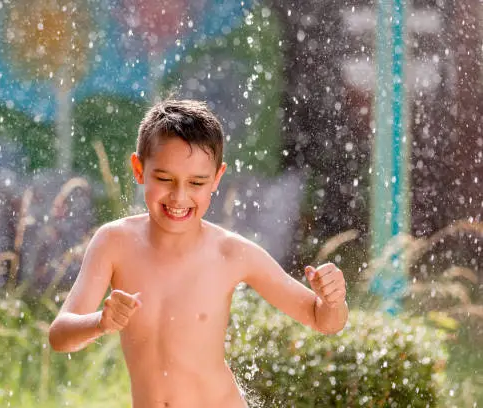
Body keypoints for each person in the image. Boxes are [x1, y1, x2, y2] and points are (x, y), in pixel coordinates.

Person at [48, 99, 348, 408]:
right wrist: (101, 322)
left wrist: (332, 301)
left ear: (217, 178)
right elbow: (59, 336)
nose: (179, 197)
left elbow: (322, 320)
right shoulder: (114, 242)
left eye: (196, 183)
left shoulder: (232, 253)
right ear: (139, 169)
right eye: (164, 179)